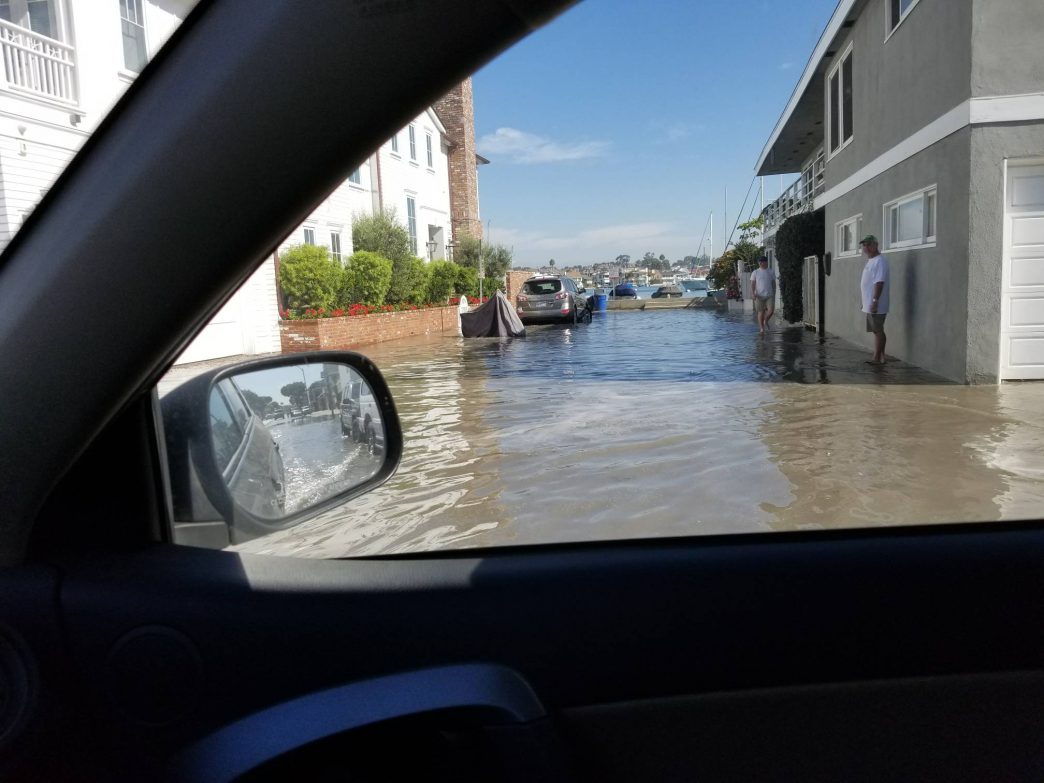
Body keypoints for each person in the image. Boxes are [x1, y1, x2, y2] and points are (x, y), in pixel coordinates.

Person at [859, 235, 890, 365]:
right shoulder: (871, 260)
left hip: (876, 304)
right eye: (864, 245)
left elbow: (879, 282)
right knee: (876, 330)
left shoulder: (879, 261)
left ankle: (877, 358)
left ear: (875, 245)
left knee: (878, 330)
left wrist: (875, 301)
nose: (866, 247)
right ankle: (881, 357)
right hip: (870, 303)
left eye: (868, 244)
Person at [751, 256, 776, 334]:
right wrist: (753, 293)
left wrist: (774, 292)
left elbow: (773, 282)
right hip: (759, 295)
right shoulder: (755, 272)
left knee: (771, 311)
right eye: (759, 262)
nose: (761, 263)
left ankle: (766, 321)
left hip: (769, 294)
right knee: (760, 312)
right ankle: (761, 328)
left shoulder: (771, 271)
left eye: (762, 262)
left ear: (766, 262)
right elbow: (752, 283)